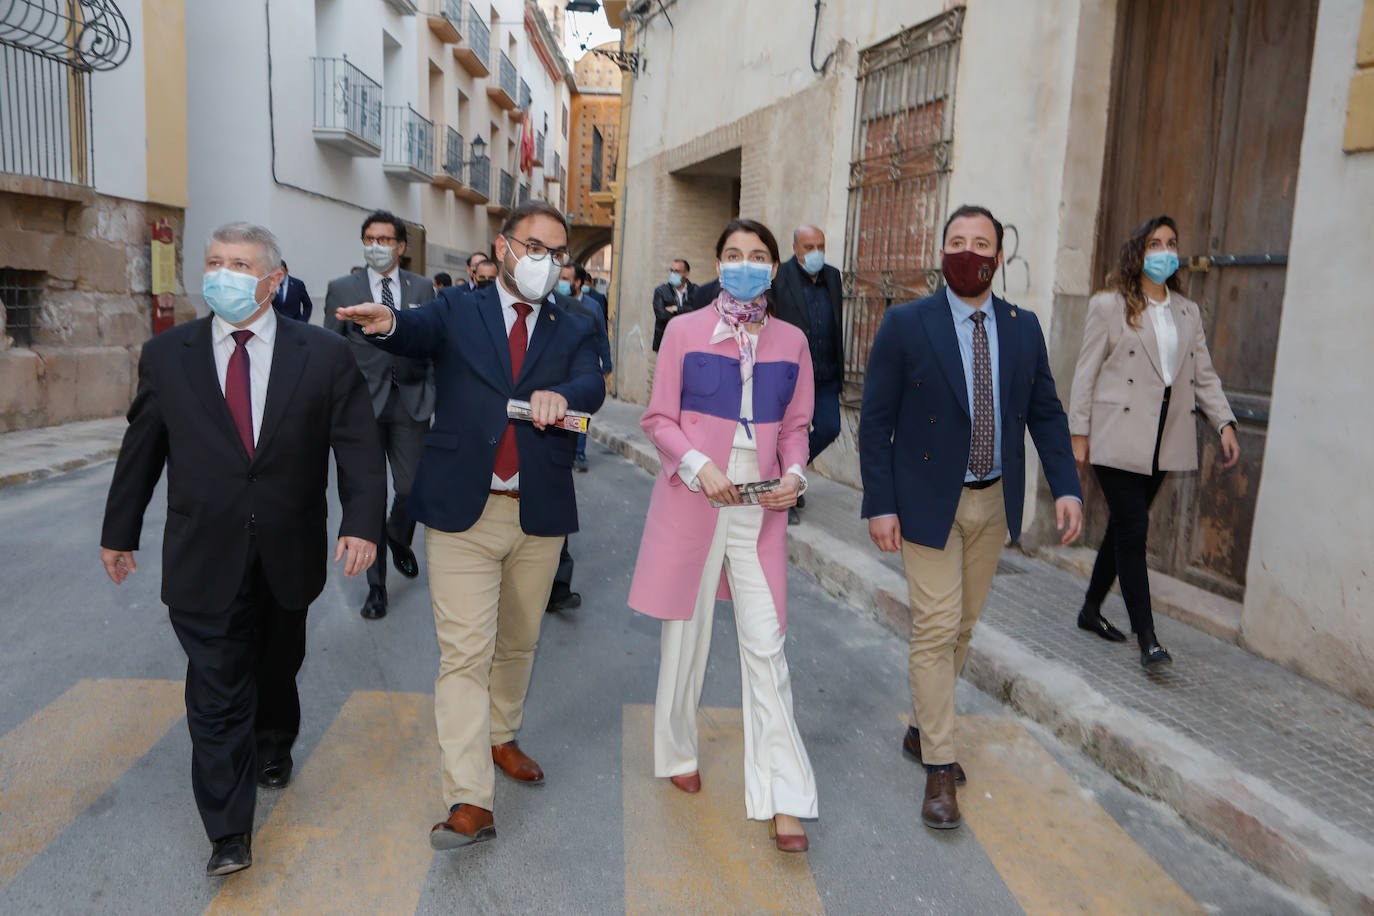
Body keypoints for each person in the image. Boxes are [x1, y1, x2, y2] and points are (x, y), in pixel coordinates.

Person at [99, 222, 384, 877]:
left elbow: (360, 448)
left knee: (277, 665)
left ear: (274, 280)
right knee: (217, 691)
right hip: (202, 553)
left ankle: (276, 740)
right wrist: (120, 531)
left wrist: (362, 522)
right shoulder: (168, 356)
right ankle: (228, 834)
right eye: (214, 262)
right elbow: (142, 448)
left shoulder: (323, 355)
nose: (222, 274)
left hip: (289, 549)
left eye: (240, 263)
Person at [335, 201, 605, 851]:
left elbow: (592, 385)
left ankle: (502, 734)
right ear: (503, 246)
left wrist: (564, 399)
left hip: (537, 511)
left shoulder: (572, 324)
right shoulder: (461, 309)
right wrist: (386, 322)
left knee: (517, 640)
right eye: (532, 246)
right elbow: (413, 328)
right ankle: (468, 798)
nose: (544, 260)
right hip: (464, 510)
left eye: (556, 251)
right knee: (464, 654)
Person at [858, 204, 1083, 831]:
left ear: (998, 256)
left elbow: (1045, 412)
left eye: (980, 242)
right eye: (956, 241)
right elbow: (876, 422)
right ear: (941, 253)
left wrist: (1066, 486)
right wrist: (880, 502)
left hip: (993, 500)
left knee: (963, 626)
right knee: (934, 627)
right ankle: (939, 763)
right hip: (927, 500)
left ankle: (924, 729)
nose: (967, 251)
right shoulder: (906, 323)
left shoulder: (1022, 327)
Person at [628, 218, 818, 853]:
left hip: (759, 509)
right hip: (695, 499)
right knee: (686, 636)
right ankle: (677, 748)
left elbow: (797, 426)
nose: (745, 264)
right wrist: (699, 467)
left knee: (767, 644)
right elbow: (658, 417)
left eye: (757, 256)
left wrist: (794, 474)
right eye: (733, 255)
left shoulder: (792, 340)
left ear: (773, 268)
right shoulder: (685, 330)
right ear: (716, 264)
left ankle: (785, 797)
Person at [1068, 215, 1240, 668]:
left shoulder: (1187, 311)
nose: (1164, 251)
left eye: (1171, 243)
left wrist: (1224, 423)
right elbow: (1085, 372)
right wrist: (1079, 433)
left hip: (1163, 436)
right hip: (1116, 432)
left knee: (1125, 525)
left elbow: (1203, 374)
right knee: (1135, 528)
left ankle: (1090, 610)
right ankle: (1148, 638)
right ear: (1138, 252)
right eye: (1155, 243)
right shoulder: (1109, 305)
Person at [324, 210, 437, 620]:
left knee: (411, 488)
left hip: (410, 401)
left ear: (401, 247)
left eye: (385, 239)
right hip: (360, 407)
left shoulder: (423, 288)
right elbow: (329, 350)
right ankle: (376, 589)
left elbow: (434, 341)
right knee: (366, 497)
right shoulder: (343, 288)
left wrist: (436, 390)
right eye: (370, 238)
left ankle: (397, 535)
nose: (376, 246)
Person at [772, 225, 844, 524]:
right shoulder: (780, 278)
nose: (816, 253)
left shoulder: (832, 276)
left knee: (829, 427)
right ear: (795, 248)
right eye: (809, 247)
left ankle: (791, 472)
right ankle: (784, 493)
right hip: (792, 376)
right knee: (788, 434)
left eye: (820, 246)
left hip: (826, 371)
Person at [557, 263, 612, 471]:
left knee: (580, 411)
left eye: (566, 278)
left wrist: (606, 363)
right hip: (558, 367)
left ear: (578, 282)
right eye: (560, 278)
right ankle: (564, 450)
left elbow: (601, 337)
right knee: (561, 409)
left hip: (582, 368)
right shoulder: (554, 303)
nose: (561, 283)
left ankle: (579, 453)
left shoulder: (592, 307)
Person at [651, 258, 696, 353]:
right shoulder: (661, 291)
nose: (673, 274)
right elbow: (661, 316)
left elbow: (698, 312)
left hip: (689, 344)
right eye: (671, 270)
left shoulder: (696, 291)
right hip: (665, 343)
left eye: (677, 271)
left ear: (687, 274)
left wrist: (676, 309)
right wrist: (686, 314)